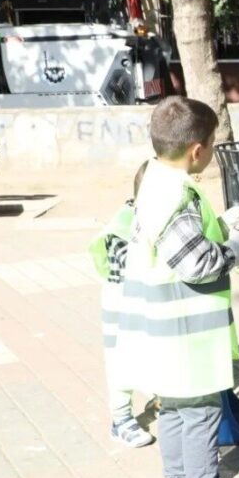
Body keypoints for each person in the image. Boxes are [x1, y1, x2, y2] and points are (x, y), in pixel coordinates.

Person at [118, 96, 239, 478]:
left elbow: (179, 244)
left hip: (162, 329)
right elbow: (196, 263)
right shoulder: (175, 192)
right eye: (214, 142)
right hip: (187, 334)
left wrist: (219, 223)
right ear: (197, 150)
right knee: (200, 415)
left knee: (175, 413)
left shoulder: (153, 182)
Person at [87, 159, 154, 448]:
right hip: (122, 306)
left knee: (155, 353)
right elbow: (134, 269)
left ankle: (161, 395)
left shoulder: (151, 215)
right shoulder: (124, 226)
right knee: (121, 361)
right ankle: (120, 417)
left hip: (148, 303)